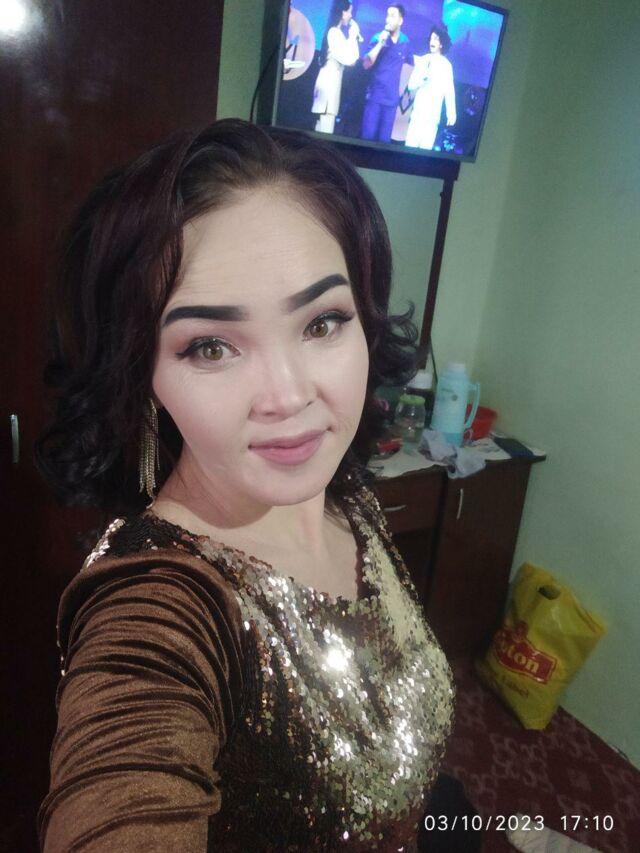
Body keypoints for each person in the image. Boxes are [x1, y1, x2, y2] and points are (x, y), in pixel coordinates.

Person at [35, 119, 454, 852]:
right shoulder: (157, 606)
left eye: (322, 322)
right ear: (143, 373)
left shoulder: (343, 493)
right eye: (210, 346)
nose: (288, 397)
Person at [361, 4, 413, 143]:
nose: (388, 19)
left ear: (400, 21)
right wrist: (380, 43)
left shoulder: (405, 42)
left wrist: (402, 91)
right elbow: (366, 64)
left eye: (392, 16)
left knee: (385, 142)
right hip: (375, 97)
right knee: (367, 139)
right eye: (387, 15)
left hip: (391, 101)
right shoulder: (377, 37)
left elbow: (410, 66)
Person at [311, 0, 361, 134]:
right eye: (349, 12)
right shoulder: (334, 33)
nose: (351, 15)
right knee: (325, 129)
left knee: (324, 126)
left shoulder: (336, 32)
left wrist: (352, 37)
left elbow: (352, 60)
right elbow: (350, 59)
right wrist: (352, 36)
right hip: (329, 85)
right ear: (342, 13)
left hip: (331, 84)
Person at [405, 25, 456, 151]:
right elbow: (411, 85)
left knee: (424, 154)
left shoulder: (446, 66)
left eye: (436, 39)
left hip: (432, 120)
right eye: (431, 38)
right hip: (417, 116)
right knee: (409, 152)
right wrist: (422, 80)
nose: (432, 42)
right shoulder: (423, 60)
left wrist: (451, 113)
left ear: (442, 44)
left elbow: (449, 91)